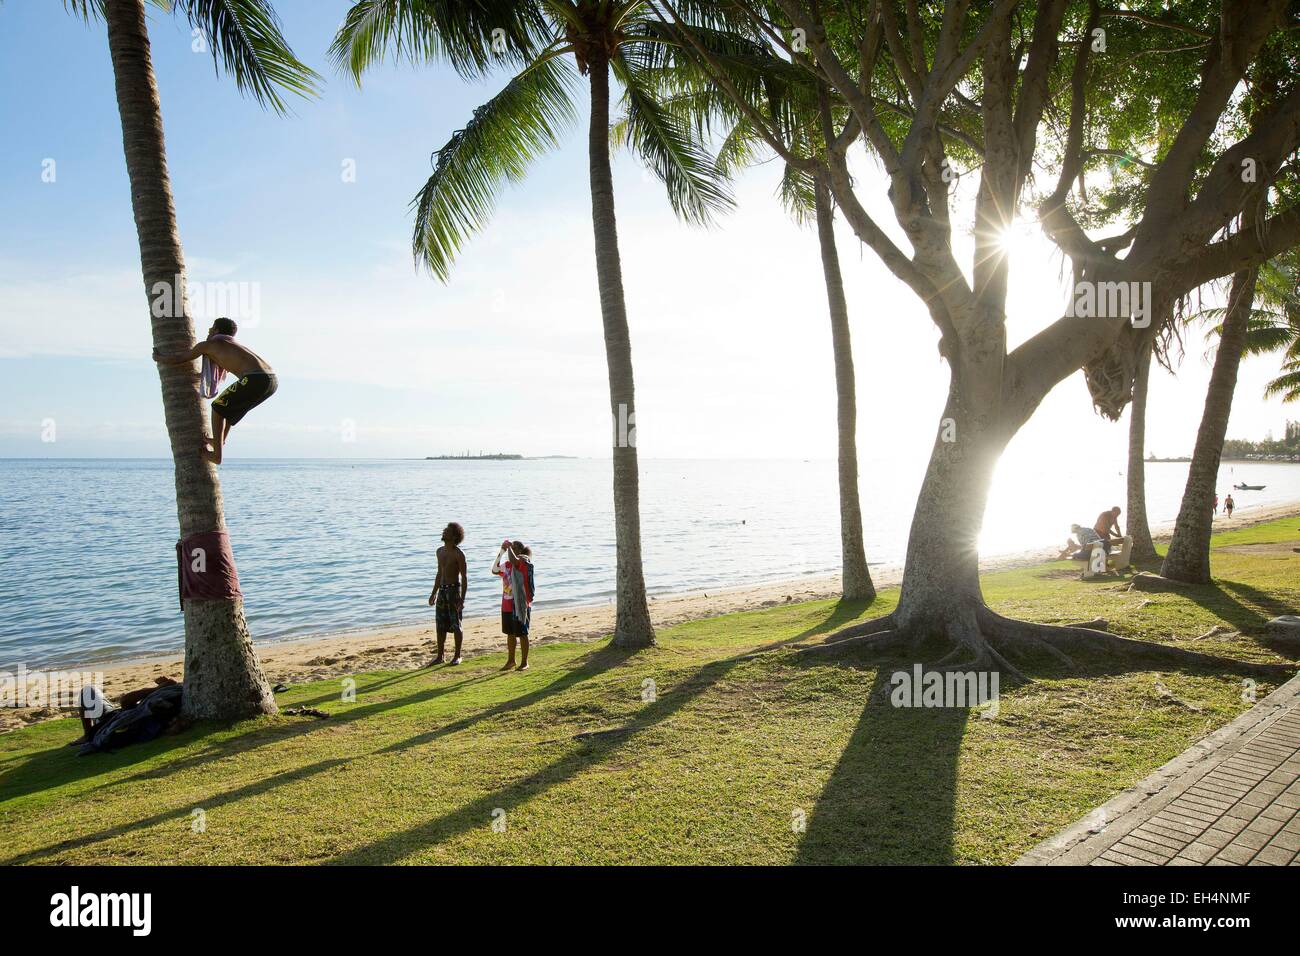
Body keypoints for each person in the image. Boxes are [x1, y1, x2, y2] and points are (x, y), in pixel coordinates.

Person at [153, 317, 278, 465]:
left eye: (211, 327)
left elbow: (182, 358)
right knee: (229, 409)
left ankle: (217, 456)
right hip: (271, 381)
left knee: (217, 407)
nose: (209, 330)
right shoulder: (232, 346)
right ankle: (220, 441)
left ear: (217, 330)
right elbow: (220, 373)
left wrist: (160, 358)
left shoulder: (209, 345)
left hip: (255, 379)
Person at [69, 676, 178, 746]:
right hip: (119, 718)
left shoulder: (149, 715)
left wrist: (157, 689)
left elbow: (125, 700)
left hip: (110, 721)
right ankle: (88, 734)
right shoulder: (169, 712)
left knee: (87, 691)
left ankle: (87, 735)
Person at [427, 522, 468, 665]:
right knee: (440, 625)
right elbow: (439, 573)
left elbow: (464, 577)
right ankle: (440, 656)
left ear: (455, 536)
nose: (444, 532)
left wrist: (462, 599)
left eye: (448, 531)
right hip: (442, 591)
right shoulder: (439, 551)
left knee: (456, 624)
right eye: (445, 529)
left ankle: (457, 655)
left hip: (453, 590)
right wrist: (433, 593)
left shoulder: (459, 554)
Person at [492, 539, 535, 671]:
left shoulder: (523, 562)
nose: (512, 549)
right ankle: (511, 661)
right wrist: (502, 551)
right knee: (510, 633)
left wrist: (508, 548)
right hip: (507, 604)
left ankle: (524, 662)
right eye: (512, 547)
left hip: (520, 604)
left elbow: (515, 560)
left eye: (515, 547)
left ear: (520, 552)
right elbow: (494, 570)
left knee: (522, 633)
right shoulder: (507, 565)